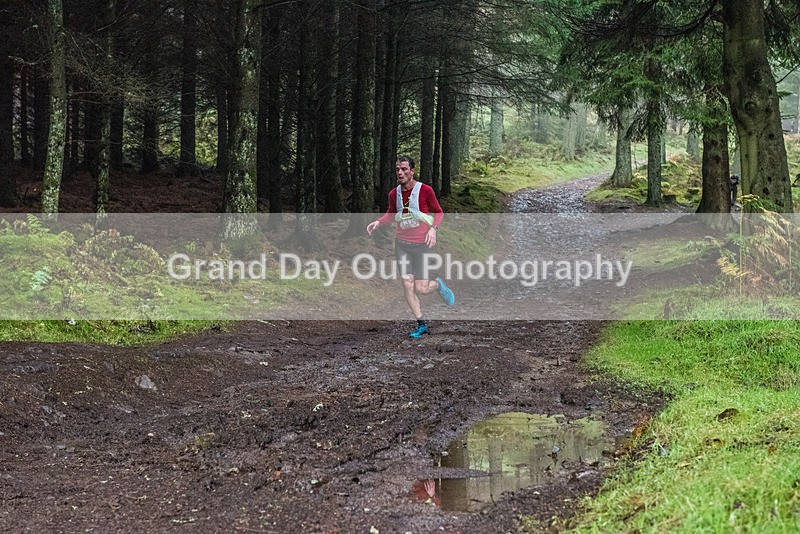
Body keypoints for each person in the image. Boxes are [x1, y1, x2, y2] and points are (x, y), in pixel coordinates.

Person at [367, 156, 455, 338]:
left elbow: (438, 212)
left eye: (404, 169)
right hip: (402, 245)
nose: (400, 172)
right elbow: (391, 215)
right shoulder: (394, 194)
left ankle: (438, 285)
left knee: (421, 288)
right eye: (398, 169)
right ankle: (421, 324)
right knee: (408, 283)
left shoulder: (425, 190)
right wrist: (378, 223)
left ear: (412, 171)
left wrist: (433, 229)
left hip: (422, 245)